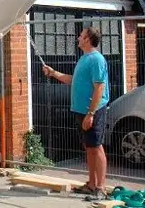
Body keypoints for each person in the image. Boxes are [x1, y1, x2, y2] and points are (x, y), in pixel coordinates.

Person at [42, 26, 109, 201]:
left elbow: (99, 87)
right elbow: (73, 80)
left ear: (88, 39)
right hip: (81, 111)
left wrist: (91, 113)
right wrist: (53, 73)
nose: (78, 38)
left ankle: (100, 188)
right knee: (89, 148)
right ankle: (91, 185)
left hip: (92, 111)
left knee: (96, 146)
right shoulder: (84, 59)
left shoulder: (96, 60)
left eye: (81, 36)